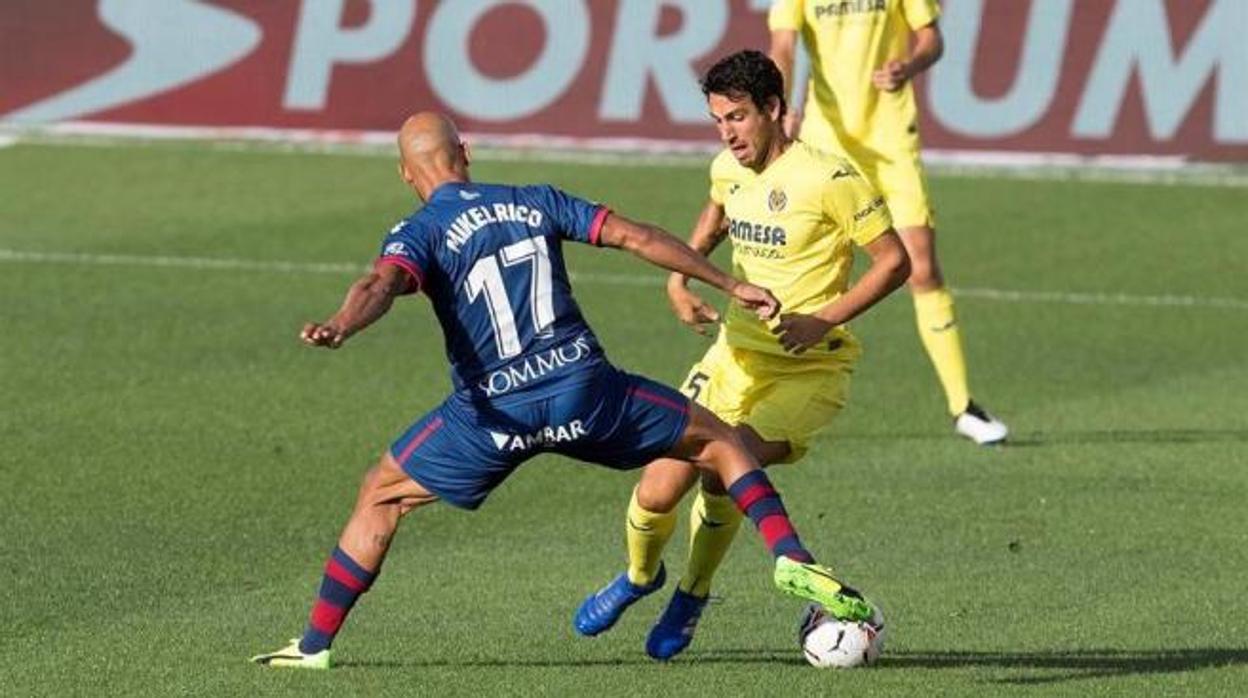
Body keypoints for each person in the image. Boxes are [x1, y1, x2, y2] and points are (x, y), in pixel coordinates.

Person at [250, 112, 876, 670]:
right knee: (719, 442)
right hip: (585, 392)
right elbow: (637, 235)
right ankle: (790, 555)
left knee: (380, 496)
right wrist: (723, 280)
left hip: (492, 415)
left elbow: (379, 284)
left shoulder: (418, 230)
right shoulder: (533, 199)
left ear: (405, 173)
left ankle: (313, 646)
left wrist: (340, 324)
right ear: (465, 151)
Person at [574, 51, 910, 660]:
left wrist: (820, 321)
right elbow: (715, 217)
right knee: (656, 489)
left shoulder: (831, 179)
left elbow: (895, 263)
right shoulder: (728, 168)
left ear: (776, 110)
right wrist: (680, 280)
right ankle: (638, 576)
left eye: (738, 117)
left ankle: (693, 591)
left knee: (725, 465)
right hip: (732, 360)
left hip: (809, 370)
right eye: (717, 120)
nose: (728, 132)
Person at [769, 0, 1008, 445]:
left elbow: (932, 39)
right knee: (809, 265)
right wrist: (778, 104)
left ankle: (962, 406)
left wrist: (909, 65)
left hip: (890, 141)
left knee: (922, 265)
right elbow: (782, 46)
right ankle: (766, 385)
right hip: (828, 141)